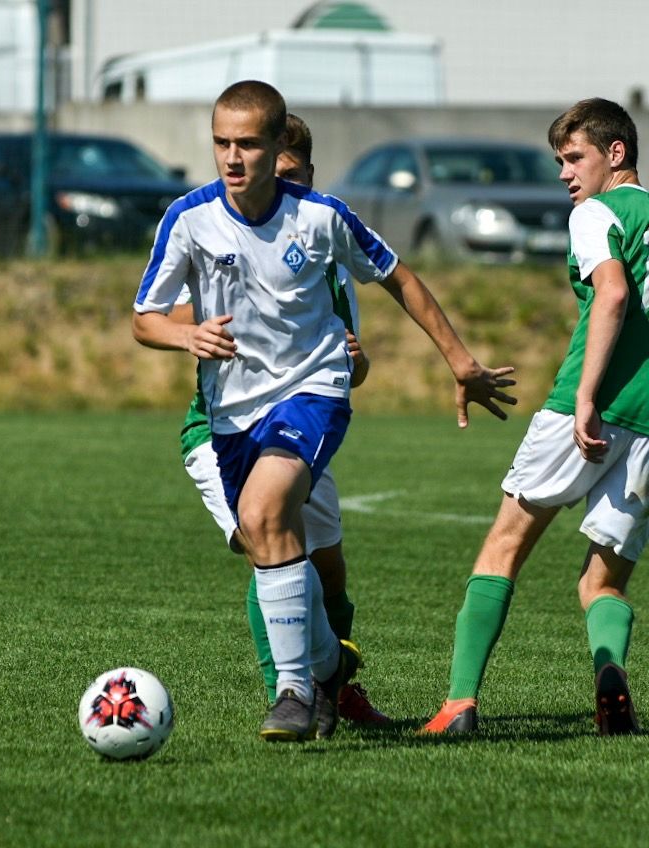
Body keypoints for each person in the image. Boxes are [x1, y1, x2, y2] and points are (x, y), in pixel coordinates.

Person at [133, 80, 515, 743]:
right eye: (221, 143)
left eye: (248, 143)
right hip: (229, 416)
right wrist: (184, 334)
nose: (232, 157)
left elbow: (399, 276)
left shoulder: (321, 217)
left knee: (265, 514)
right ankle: (330, 665)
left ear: (279, 146)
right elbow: (144, 319)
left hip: (312, 393)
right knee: (268, 535)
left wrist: (459, 359)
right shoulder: (188, 219)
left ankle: (291, 693)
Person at [421, 97, 648, 737]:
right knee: (602, 581)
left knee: (503, 549)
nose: (564, 173)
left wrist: (584, 397)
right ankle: (612, 683)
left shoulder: (594, 213)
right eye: (558, 160)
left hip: (588, 409)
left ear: (616, 153)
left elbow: (612, 292)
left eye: (574, 157)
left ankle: (459, 704)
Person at [174, 113, 388, 725]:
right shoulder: (219, 234)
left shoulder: (326, 249)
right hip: (221, 431)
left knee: (328, 561)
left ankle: (333, 684)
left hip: (296, 420)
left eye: (290, 175)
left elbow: (349, 359)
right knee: (264, 538)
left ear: (307, 174)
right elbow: (178, 322)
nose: (277, 188)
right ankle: (292, 690)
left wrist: (359, 361)